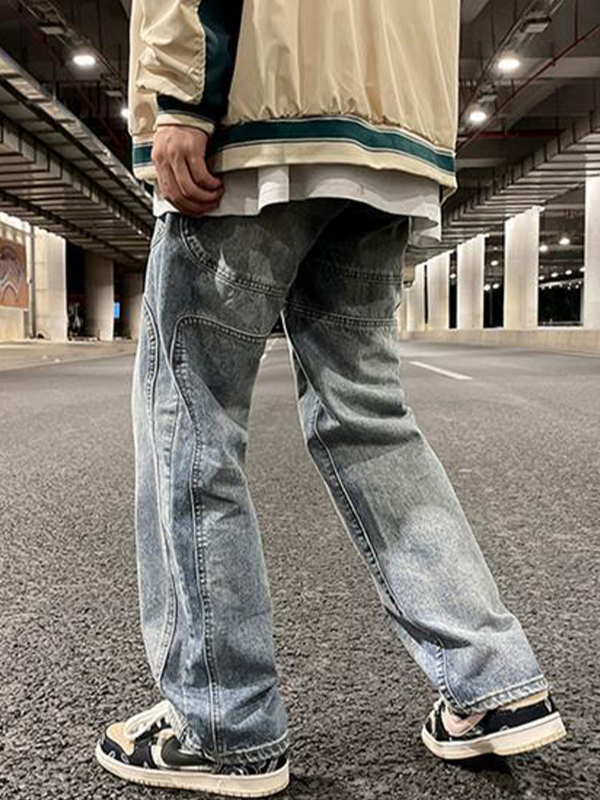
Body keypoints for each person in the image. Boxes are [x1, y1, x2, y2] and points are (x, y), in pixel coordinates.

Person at [96, 1, 566, 796]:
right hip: (395, 140)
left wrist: (181, 102)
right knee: (370, 419)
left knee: (191, 417)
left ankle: (225, 727)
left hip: (259, 123)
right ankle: (492, 682)